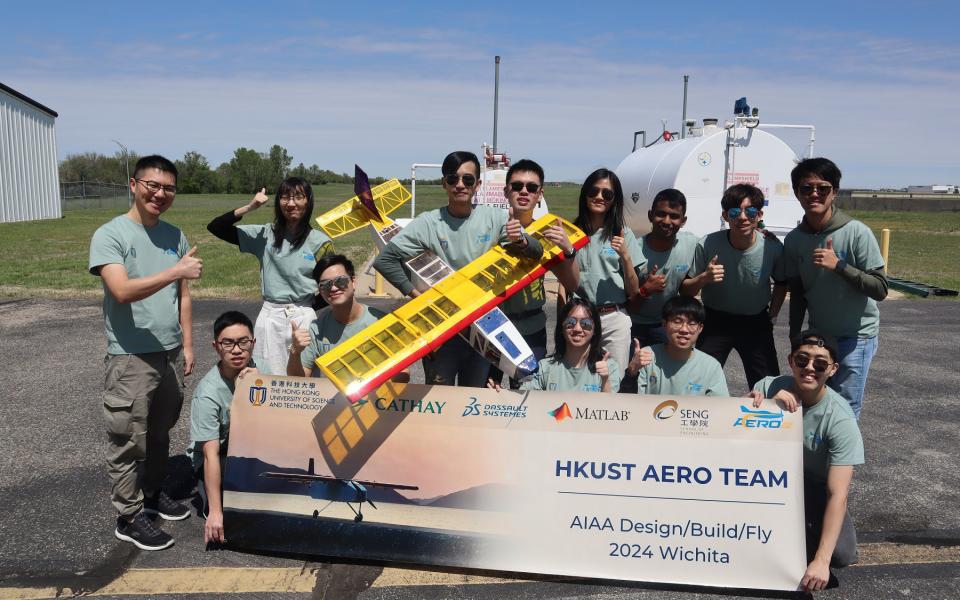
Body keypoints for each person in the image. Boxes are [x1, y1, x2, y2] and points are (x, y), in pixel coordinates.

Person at [88, 155, 200, 551]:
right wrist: (175, 271)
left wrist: (186, 344)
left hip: (168, 352)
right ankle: (129, 514)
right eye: (153, 185)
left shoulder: (175, 235)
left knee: (159, 433)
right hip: (130, 357)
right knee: (127, 438)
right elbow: (121, 290)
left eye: (168, 188)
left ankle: (152, 494)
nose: (160, 194)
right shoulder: (110, 234)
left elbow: (183, 296)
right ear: (133, 185)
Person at [373, 150, 543, 387]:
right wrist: (415, 295)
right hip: (442, 332)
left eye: (468, 179)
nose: (460, 185)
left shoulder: (494, 218)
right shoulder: (428, 222)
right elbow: (385, 260)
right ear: (444, 183)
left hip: (481, 331)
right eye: (453, 179)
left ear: (478, 185)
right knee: (439, 396)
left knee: (473, 397)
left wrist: (521, 240)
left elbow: (537, 252)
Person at [747, 330, 863, 592]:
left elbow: (838, 493)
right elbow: (732, 434)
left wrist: (821, 561)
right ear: (790, 361)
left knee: (840, 554)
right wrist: (763, 406)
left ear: (832, 370)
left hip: (814, 487)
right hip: (768, 480)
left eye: (820, 363)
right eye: (802, 360)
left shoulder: (840, 419)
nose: (810, 368)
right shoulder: (768, 386)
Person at [784, 158, 887, 418]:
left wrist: (839, 265)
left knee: (845, 407)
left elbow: (880, 289)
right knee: (813, 402)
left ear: (835, 192)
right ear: (797, 193)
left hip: (856, 336)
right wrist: (795, 337)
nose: (814, 194)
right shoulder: (795, 240)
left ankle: (840, 459)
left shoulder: (857, 233)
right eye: (806, 188)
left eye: (823, 188)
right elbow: (798, 292)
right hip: (819, 338)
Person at [207, 178, 333, 375]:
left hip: (304, 317)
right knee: (266, 377)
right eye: (285, 197)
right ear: (278, 202)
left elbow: (331, 286)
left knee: (304, 378)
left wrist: (307, 306)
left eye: (298, 197)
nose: (291, 203)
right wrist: (250, 207)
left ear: (308, 201)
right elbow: (216, 227)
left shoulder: (320, 242)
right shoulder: (265, 235)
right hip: (270, 316)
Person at [681, 183, 787, 389]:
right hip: (714, 321)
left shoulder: (773, 248)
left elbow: (782, 284)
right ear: (725, 215)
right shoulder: (708, 244)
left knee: (768, 386)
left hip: (756, 322)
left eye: (751, 211)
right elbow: (686, 290)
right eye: (735, 212)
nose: (742, 217)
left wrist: (772, 316)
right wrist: (704, 278)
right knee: (697, 383)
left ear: (760, 215)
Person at [488, 158, 580, 389]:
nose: (524, 192)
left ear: (540, 194)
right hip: (492, 327)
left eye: (531, 187)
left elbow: (573, 283)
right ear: (506, 191)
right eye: (517, 186)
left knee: (530, 396)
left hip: (532, 327)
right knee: (488, 394)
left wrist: (569, 251)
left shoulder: (548, 233)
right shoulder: (490, 228)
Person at [187, 311, 256, 546]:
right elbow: (210, 454)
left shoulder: (261, 369)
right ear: (216, 347)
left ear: (253, 343)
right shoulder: (207, 393)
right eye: (228, 343)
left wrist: (258, 384)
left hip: (250, 448)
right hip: (219, 457)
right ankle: (211, 499)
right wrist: (216, 511)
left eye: (243, 342)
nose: (237, 350)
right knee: (230, 518)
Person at [568, 168, 642, 371]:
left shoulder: (622, 234)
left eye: (607, 194)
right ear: (585, 194)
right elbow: (562, 285)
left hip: (613, 319)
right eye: (594, 191)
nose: (599, 197)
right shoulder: (571, 233)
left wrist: (626, 256)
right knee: (578, 374)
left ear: (614, 200)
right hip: (579, 319)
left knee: (613, 378)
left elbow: (634, 290)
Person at [288, 254, 406, 381]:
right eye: (325, 285)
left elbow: (404, 375)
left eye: (340, 281)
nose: (333, 288)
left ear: (353, 282)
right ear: (320, 290)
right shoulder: (316, 328)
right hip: (337, 399)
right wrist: (295, 352)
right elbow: (299, 380)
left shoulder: (381, 321)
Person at [493, 298, 621, 393]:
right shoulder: (545, 367)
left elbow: (610, 414)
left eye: (586, 323)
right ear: (561, 327)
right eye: (570, 322)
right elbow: (525, 402)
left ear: (595, 330)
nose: (577, 328)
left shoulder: (609, 367)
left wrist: (605, 381)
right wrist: (502, 394)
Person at [628, 188, 699, 349]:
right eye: (661, 214)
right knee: (631, 371)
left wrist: (763, 234)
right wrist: (646, 290)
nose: (667, 221)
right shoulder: (633, 250)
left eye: (674, 216)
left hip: (667, 325)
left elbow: (718, 241)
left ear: (683, 220)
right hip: (633, 324)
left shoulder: (691, 244)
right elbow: (627, 306)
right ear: (650, 215)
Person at [620, 295, 729, 396]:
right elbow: (627, 406)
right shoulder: (645, 357)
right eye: (677, 322)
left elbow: (720, 408)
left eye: (691, 324)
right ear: (664, 324)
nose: (684, 329)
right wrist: (631, 371)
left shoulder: (711, 366)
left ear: (700, 328)